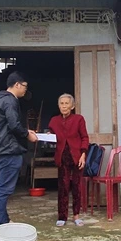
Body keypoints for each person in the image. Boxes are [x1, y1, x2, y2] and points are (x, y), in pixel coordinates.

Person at [0, 72, 38, 228]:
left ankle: (3, 219)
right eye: (24, 86)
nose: (25, 90)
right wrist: (27, 135)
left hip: (3, 148)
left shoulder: (2, 100)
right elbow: (14, 125)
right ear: (17, 84)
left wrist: (25, 131)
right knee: (4, 188)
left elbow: (10, 125)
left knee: (2, 187)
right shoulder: (10, 101)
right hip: (8, 149)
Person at [47, 93, 89, 227]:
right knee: (63, 187)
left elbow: (85, 137)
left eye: (66, 103)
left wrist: (83, 154)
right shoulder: (54, 121)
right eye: (61, 103)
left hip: (76, 156)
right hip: (62, 157)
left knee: (77, 186)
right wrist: (48, 136)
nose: (64, 106)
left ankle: (76, 215)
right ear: (58, 106)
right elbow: (52, 137)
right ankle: (62, 216)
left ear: (72, 106)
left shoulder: (79, 119)